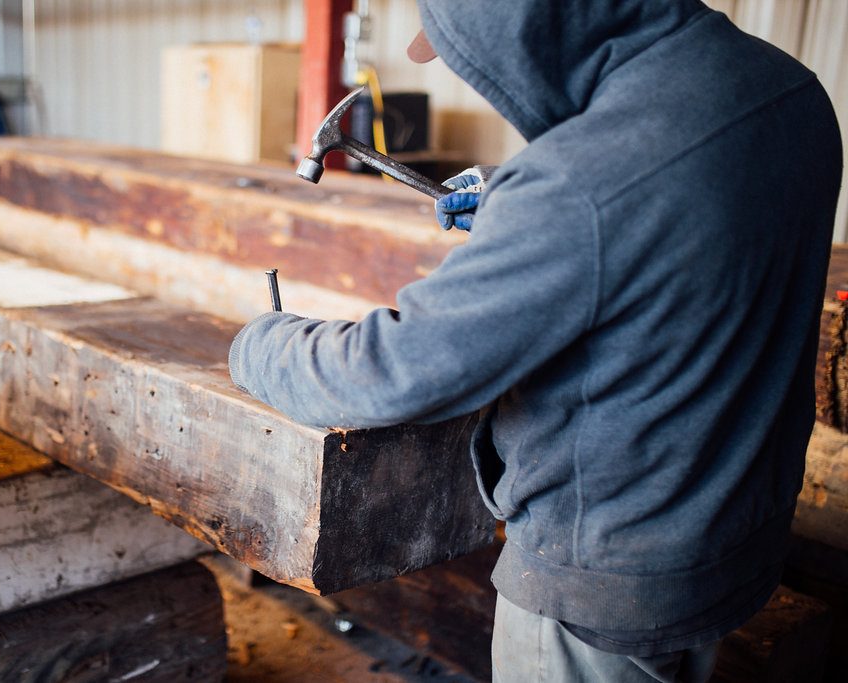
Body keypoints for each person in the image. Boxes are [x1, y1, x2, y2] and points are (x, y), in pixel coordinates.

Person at [229, 1, 843, 680]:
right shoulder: (789, 90)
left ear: (526, 27)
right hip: (728, 545)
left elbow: (392, 372)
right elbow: (688, 230)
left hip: (604, 584)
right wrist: (525, 208)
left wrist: (258, 342)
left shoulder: (583, 182)